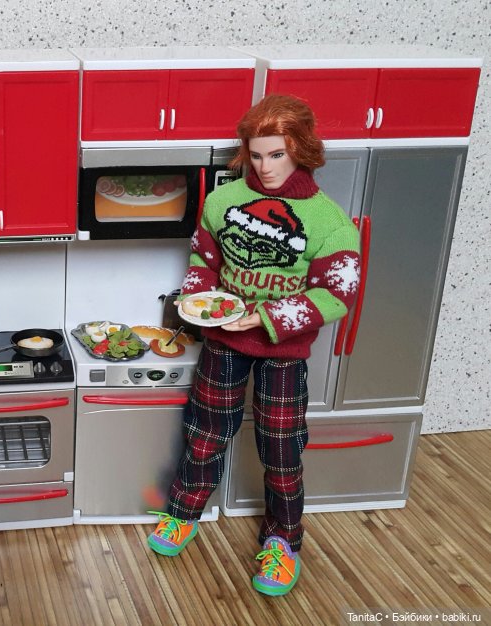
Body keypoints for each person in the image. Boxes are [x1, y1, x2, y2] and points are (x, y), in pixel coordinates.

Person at [146, 94, 361, 596]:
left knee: (281, 448)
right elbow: (203, 261)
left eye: (277, 154)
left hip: (284, 350)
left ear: (301, 150)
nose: (265, 167)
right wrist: (198, 299)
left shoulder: (329, 220)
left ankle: (283, 540)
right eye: (257, 154)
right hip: (223, 342)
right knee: (204, 434)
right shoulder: (222, 202)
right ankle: (182, 514)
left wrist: (264, 317)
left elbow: (338, 294)